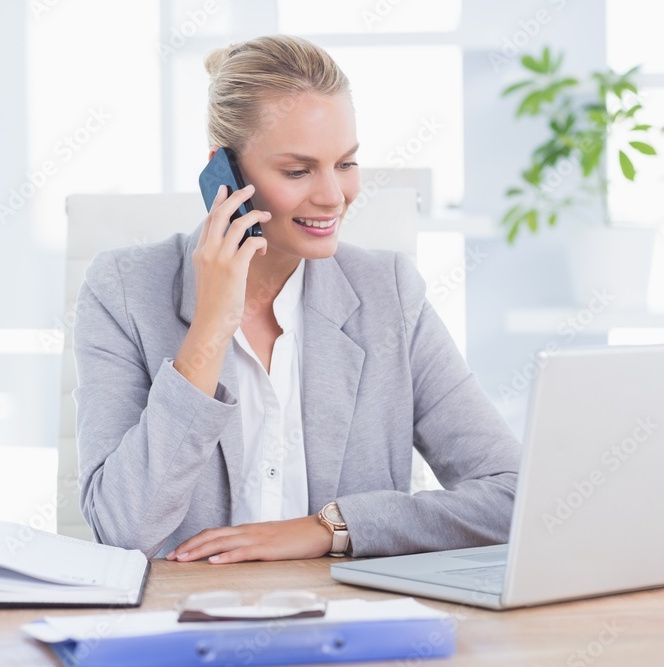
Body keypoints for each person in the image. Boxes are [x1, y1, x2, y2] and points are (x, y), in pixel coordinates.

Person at [72, 35, 521, 564]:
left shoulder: (389, 293)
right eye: (298, 171)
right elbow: (123, 531)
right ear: (225, 172)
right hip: (183, 625)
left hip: (348, 622)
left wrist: (330, 527)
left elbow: (514, 495)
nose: (333, 195)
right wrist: (211, 328)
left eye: (346, 164)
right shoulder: (123, 290)